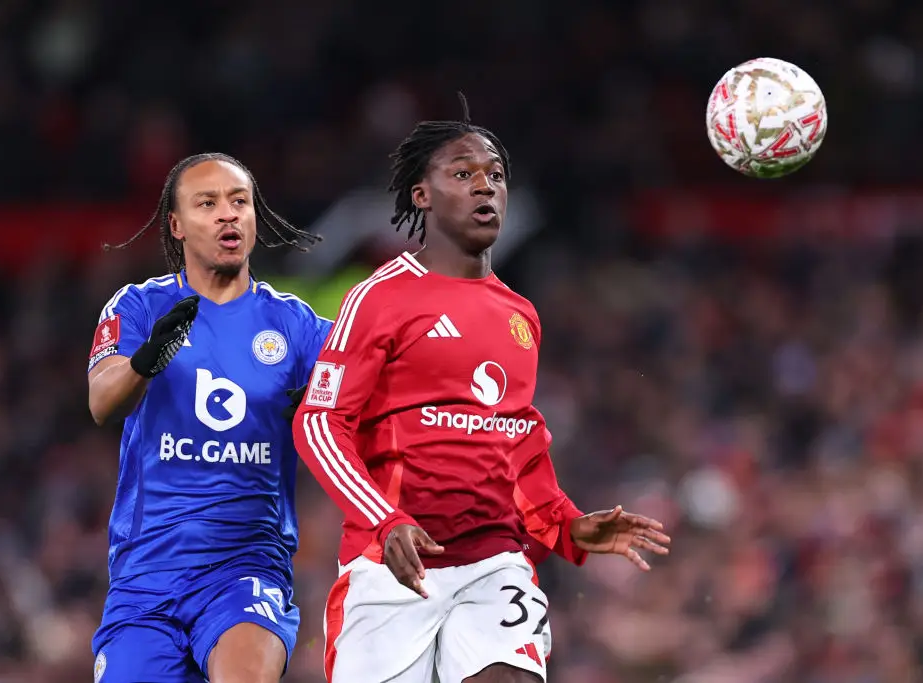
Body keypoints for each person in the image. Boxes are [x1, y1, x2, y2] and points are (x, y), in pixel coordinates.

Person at [291, 101, 672, 683]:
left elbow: (515, 443)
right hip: (392, 566)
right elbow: (319, 424)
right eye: (463, 174)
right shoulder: (379, 297)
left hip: (493, 562)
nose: (485, 187)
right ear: (421, 195)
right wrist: (385, 519)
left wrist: (567, 526)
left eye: (495, 175)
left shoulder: (519, 314)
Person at [87, 152, 331, 683]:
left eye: (239, 202)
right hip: (145, 577)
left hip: (246, 568)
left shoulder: (297, 326)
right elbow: (103, 402)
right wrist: (147, 360)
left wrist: (322, 409)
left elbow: (359, 400)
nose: (228, 214)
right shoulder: (138, 307)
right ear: (175, 226)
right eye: (208, 203)